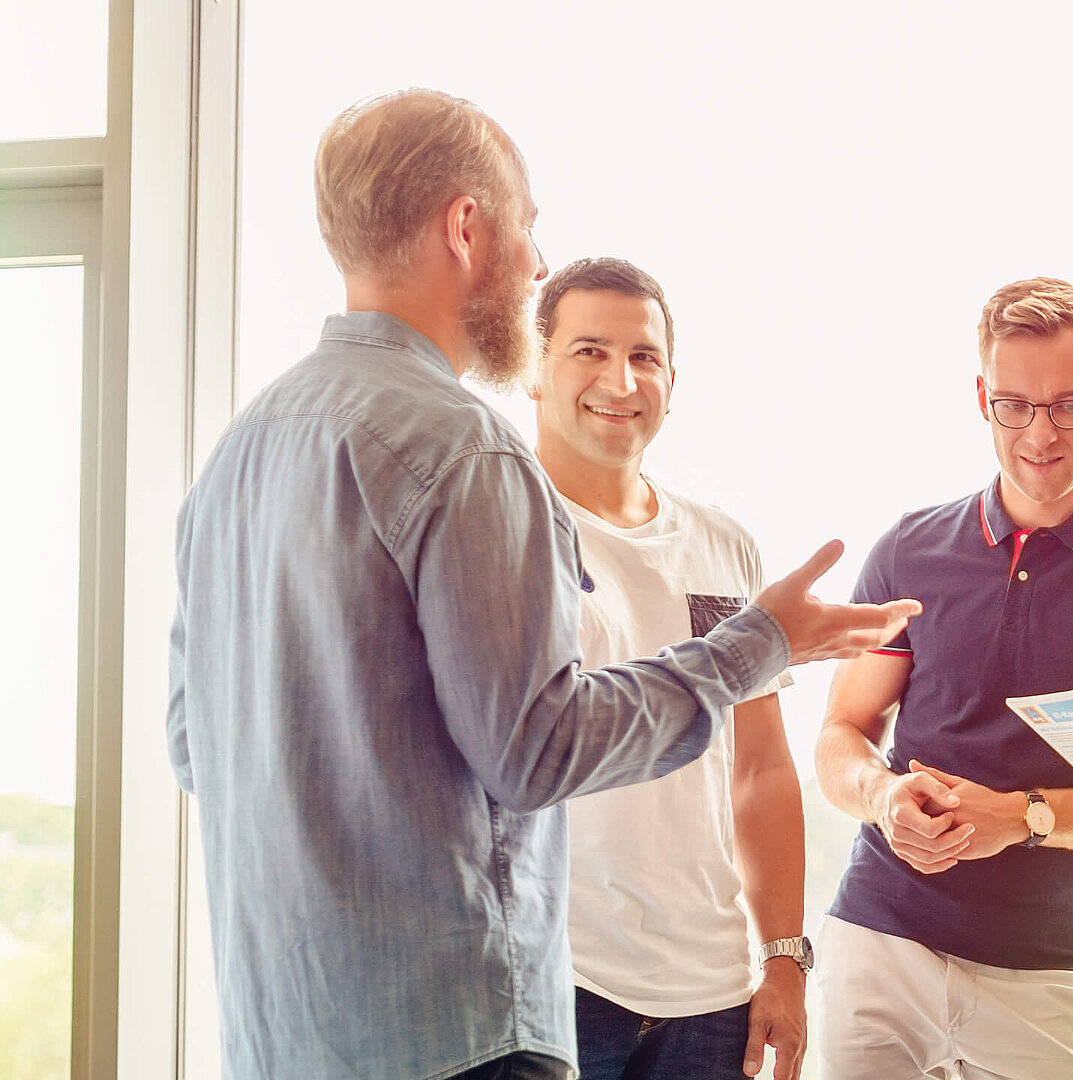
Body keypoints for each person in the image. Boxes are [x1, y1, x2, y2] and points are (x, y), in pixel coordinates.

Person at [166, 89, 916, 1080]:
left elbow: (193, 745)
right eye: (527, 228)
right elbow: (536, 748)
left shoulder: (238, 453)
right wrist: (758, 645)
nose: (533, 262)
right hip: (454, 1041)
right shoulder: (464, 447)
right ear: (466, 227)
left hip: (284, 1034)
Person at [813, 277, 1073, 1079]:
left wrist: (1023, 818)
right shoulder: (908, 551)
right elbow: (841, 735)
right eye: (1014, 405)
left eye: (1069, 404)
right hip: (881, 941)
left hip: (1053, 969)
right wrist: (882, 797)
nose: (1040, 434)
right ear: (982, 398)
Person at [528, 257, 808, 1080]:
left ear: (671, 381)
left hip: (713, 998)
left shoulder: (725, 546)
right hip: (559, 981)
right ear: (535, 371)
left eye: (643, 356)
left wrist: (784, 960)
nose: (619, 378)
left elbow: (759, 770)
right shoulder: (507, 533)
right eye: (588, 351)